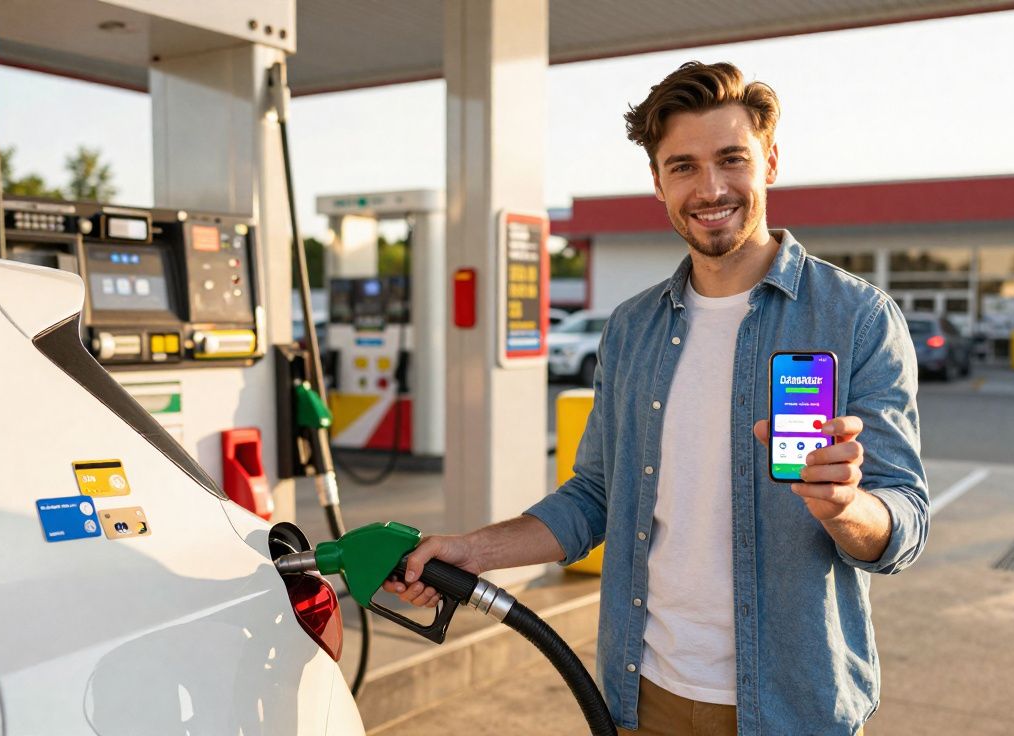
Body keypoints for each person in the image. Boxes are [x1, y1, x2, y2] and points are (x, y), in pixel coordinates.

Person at [385, 61, 928, 735]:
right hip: (643, 697)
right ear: (658, 181)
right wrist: (473, 551)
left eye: (732, 159)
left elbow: (904, 520)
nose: (711, 188)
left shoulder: (855, 318)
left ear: (771, 162)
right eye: (683, 166)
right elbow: (593, 499)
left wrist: (847, 508)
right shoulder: (634, 328)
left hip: (796, 705)